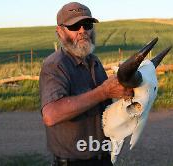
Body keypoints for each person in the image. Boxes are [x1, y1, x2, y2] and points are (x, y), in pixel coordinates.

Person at [39, 2, 133, 166]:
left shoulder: (94, 61)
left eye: (87, 25)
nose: (82, 31)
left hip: (103, 157)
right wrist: (103, 92)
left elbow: (105, 102)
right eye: (74, 26)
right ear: (60, 32)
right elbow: (51, 115)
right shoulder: (55, 65)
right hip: (73, 162)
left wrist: (124, 91)